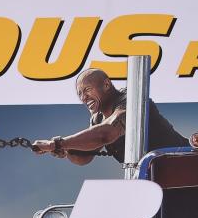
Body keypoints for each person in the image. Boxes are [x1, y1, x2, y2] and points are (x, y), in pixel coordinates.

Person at [33, 68, 189, 164]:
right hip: (156, 179)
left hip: (185, 169)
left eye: (87, 90)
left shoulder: (131, 99)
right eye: (79, 94)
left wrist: (57, 144)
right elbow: (84, 158)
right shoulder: (97, 118)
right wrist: (66, 151)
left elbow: (105, 134)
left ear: (106, 85)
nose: (83, 98)